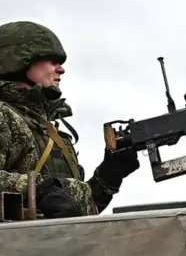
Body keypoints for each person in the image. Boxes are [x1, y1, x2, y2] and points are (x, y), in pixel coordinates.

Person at [0, 21, 139, 219]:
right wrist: (37, 190)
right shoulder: (4, 117)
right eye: (52, 61)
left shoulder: (51, 131)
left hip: (60, 238)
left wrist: (108, 176)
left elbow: (76, 214)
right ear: (18, 62)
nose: (61, 70)